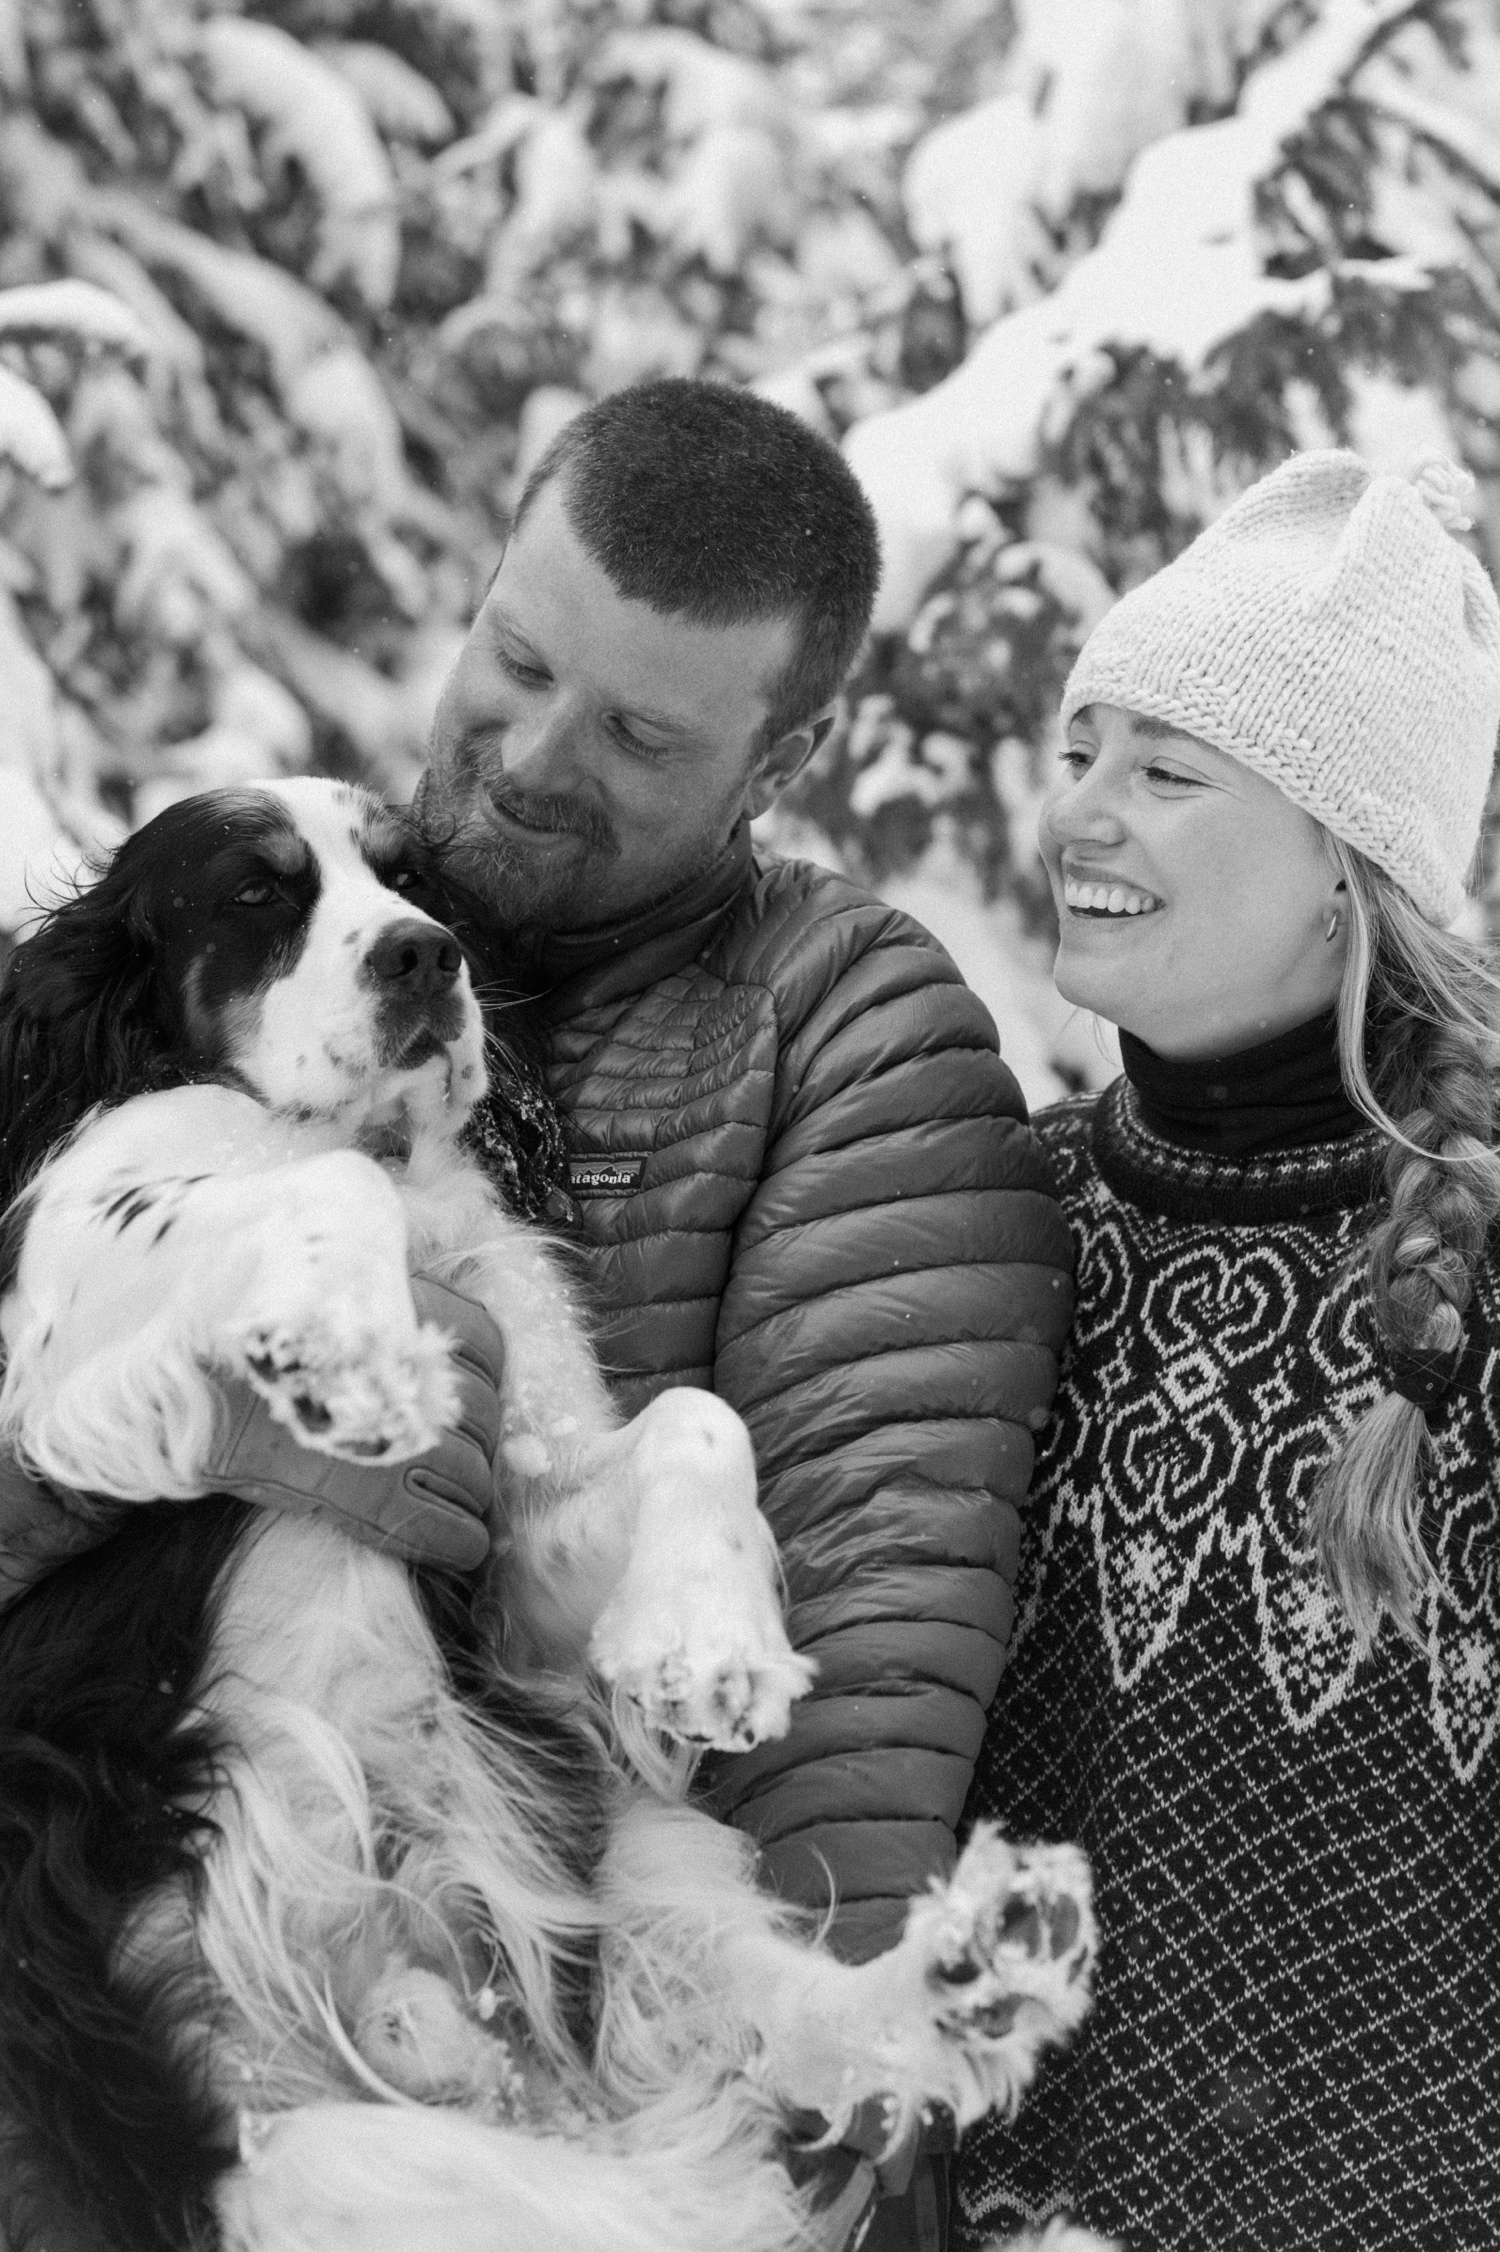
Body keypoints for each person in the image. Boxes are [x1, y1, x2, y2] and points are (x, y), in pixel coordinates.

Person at [0, 379, 1073, 2252]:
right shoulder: (232, 963)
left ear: (783, 753)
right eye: (515, 657)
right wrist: (129, 1454)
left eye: (639, 730)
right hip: (145, 1917)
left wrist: (827, 2100)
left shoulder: (843, 1033)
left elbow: (876, 1646)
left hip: (540, 1905)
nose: (525, 753)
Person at [954, 449, 1500, 2250]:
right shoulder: (998, 1214)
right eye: (1082, 751)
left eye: (1167, 773)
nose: (1085, 816)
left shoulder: (1475, 1290)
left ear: (1355, 870)